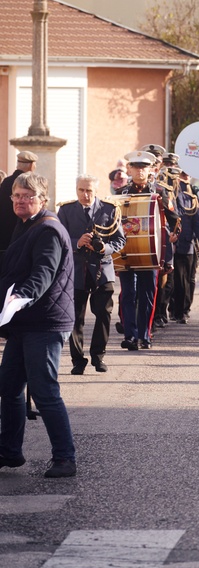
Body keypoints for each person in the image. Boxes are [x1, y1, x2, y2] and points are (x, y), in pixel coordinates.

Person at [0, 173, 78, 478]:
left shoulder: (47, 229)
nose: (21, 201)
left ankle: (65, 457)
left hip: (45, 321)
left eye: (27, 196)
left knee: (44, 390)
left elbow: (42, 273)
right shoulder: (25, 225)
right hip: (25, 320)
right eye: (17, 196)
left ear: (42, 200)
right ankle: (9, 451)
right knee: (8, 386)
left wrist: (20, 296)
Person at [57, 175, 126, 374]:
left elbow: (120, 240)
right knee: (75, 318)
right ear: (76, 190)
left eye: (89, 191)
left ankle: (99, 356)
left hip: (102, 270)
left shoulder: (109, 209)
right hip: (76, 272)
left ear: (96, 191)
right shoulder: (66, 210)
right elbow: (58, 238)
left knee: (103, 314)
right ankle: (78, 361)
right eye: (81, 190)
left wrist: (105, 248)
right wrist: (77, 242)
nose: (85, 195)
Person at [116, 150, 176, 350]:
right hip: (126, 253)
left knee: (148, 295)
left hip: (151, 252)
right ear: (129, 169)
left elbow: (173, 222)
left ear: (151, 169)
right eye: (136, 167)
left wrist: (168, 255)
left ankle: (145, 335)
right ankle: (130, 335)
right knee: (128, 294)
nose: (140, 171)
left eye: (144, 167)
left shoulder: (159, 193)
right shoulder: (121, 194)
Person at [170, 172, 199, 325]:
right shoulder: (167, 198)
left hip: (186, 245)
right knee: (173, 282)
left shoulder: (191, 199)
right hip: (168, 245)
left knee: (187, 280)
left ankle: (183, 310)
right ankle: (172, 309)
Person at [0, 151, 39, 267]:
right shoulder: (30, 184)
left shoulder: (6, 182)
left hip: (4, 236)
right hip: (21, 235)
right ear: (32, 166)